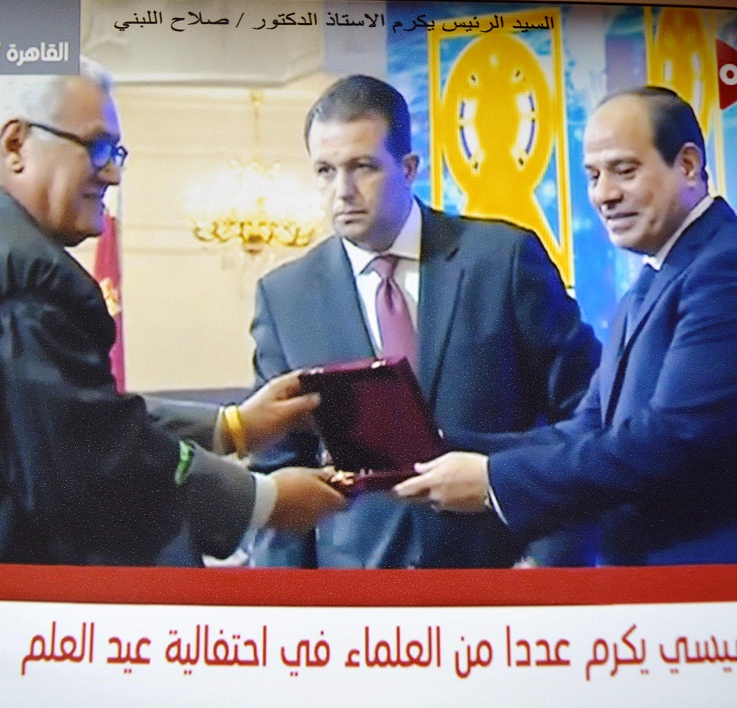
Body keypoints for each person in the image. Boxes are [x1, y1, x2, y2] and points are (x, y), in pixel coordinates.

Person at [0, 57, 346, 566]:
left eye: (115, 151)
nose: (113, 173)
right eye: (96, 147)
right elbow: (95, 467)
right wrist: (263, 502)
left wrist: (233, 426)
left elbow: (73, 415)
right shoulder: (19, 285)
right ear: (15, 144)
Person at [395, 86, 737, 565]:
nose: (604, 195)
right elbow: (588, 430)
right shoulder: (657, 280)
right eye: (593, 175)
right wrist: (438, 448)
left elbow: (667, 440)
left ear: (688, 165)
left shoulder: (733, 272)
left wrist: (493, 481)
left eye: (624, 170)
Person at [248, 75, 601, 568]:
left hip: (503, 570)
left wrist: (552, 559)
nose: (342, 191)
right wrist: (287, 602)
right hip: (357, 586)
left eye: (363, 167)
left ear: (409, 168)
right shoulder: (285, 296)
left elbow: (585, 415)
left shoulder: (502, 260)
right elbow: (279, 465)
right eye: (325, 171)